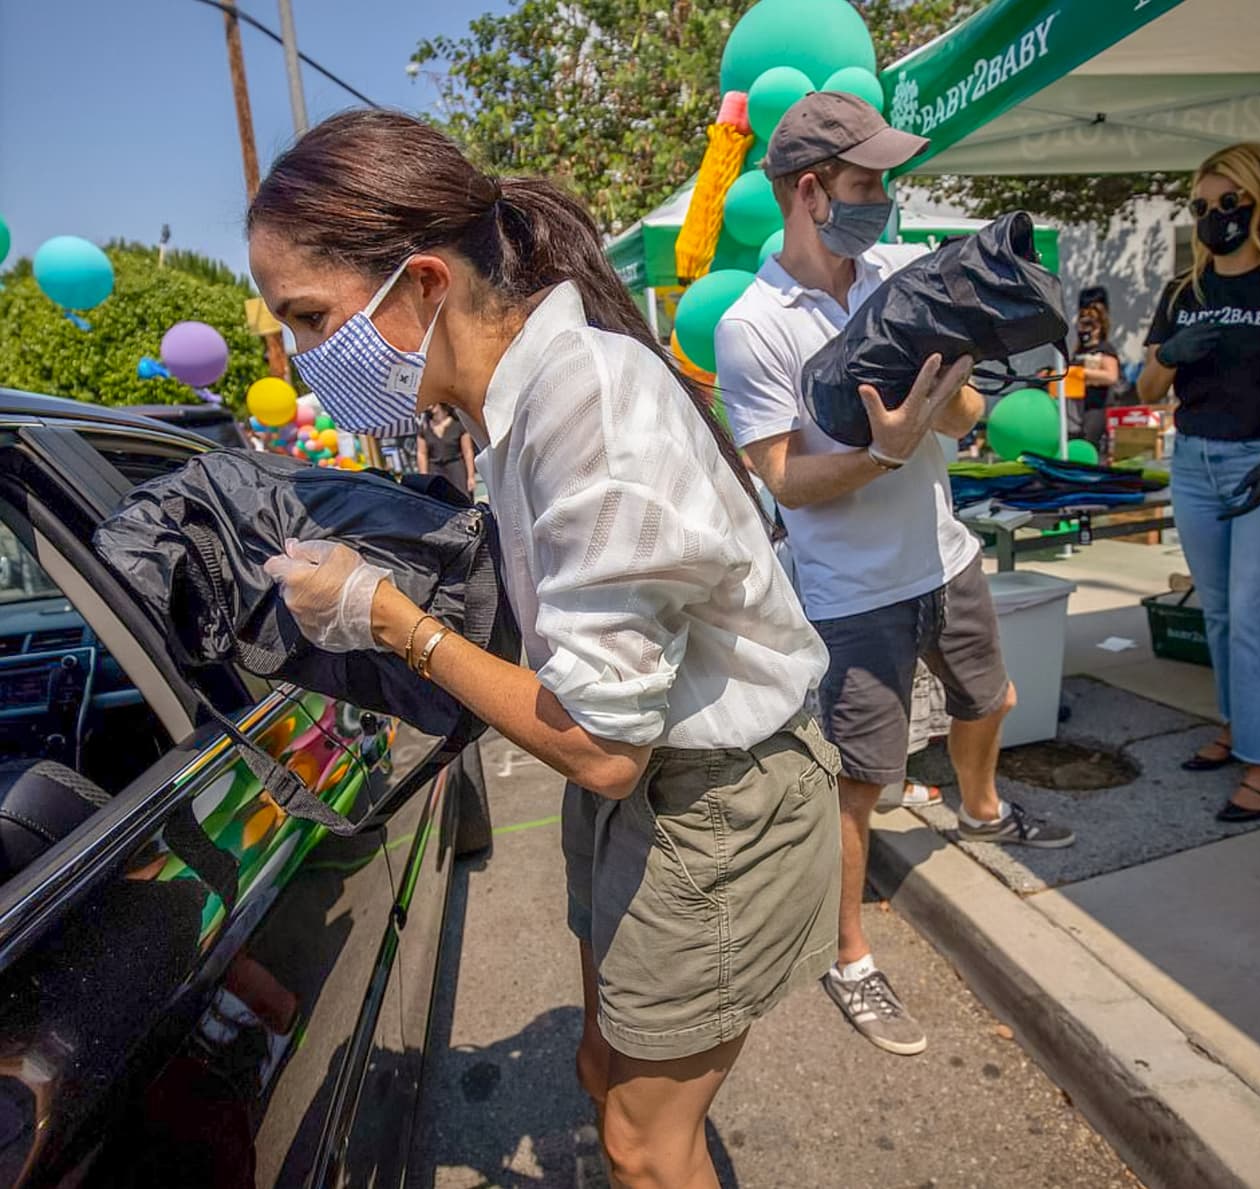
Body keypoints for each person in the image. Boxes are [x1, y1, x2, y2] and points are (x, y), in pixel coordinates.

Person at [247, 110, 841, 1189]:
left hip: (708, 798)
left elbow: (606, 745)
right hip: (641, 791)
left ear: (422, 285)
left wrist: (391, 619)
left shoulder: (589, 404)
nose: (299, 359)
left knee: (640, 1147)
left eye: (309, 318)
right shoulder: (510, 406)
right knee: (597, 1064)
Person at [715, 92, 1075, 1058]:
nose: (885, 197)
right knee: (861, 782)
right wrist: (880, 453)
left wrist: (947, 403)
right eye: (868, 181)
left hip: (943, 553)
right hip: (850, 591)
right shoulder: (753, 327)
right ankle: (849, 953)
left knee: (990, 696)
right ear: (810, 190)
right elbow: (786, 476)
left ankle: (982, 808)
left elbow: (958, 421)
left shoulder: (900, 275)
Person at [1137, 141, 1260, 822]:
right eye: (1201, 205)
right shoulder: (1182, 293)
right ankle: (1237, 726)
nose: (1214, 216)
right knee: (1219, 611)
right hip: (1193, 459)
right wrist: (1171, 352)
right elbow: (1145, 384)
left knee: (1254, 615)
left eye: (1229, 203)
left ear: (1259, 202)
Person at [1071, 300, 1121, 454]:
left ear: (1099, 327)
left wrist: (1082, 373)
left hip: (1098, 407)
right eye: (1082, 324)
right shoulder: (1078, 351)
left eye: (1089, 325)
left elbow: (1112, 376)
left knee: (1090, 443)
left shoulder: (1105, 349)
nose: (1084, 329)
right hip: (1077, 406)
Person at [416, 401, 476, 498]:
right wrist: (424, 479)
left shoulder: (458, 424)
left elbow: (468, 451)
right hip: (435, 470)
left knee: (462, 498)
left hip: (456, 468)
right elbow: (421, 453)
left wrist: (471, 477)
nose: (430, 406)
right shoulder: (424, 427)